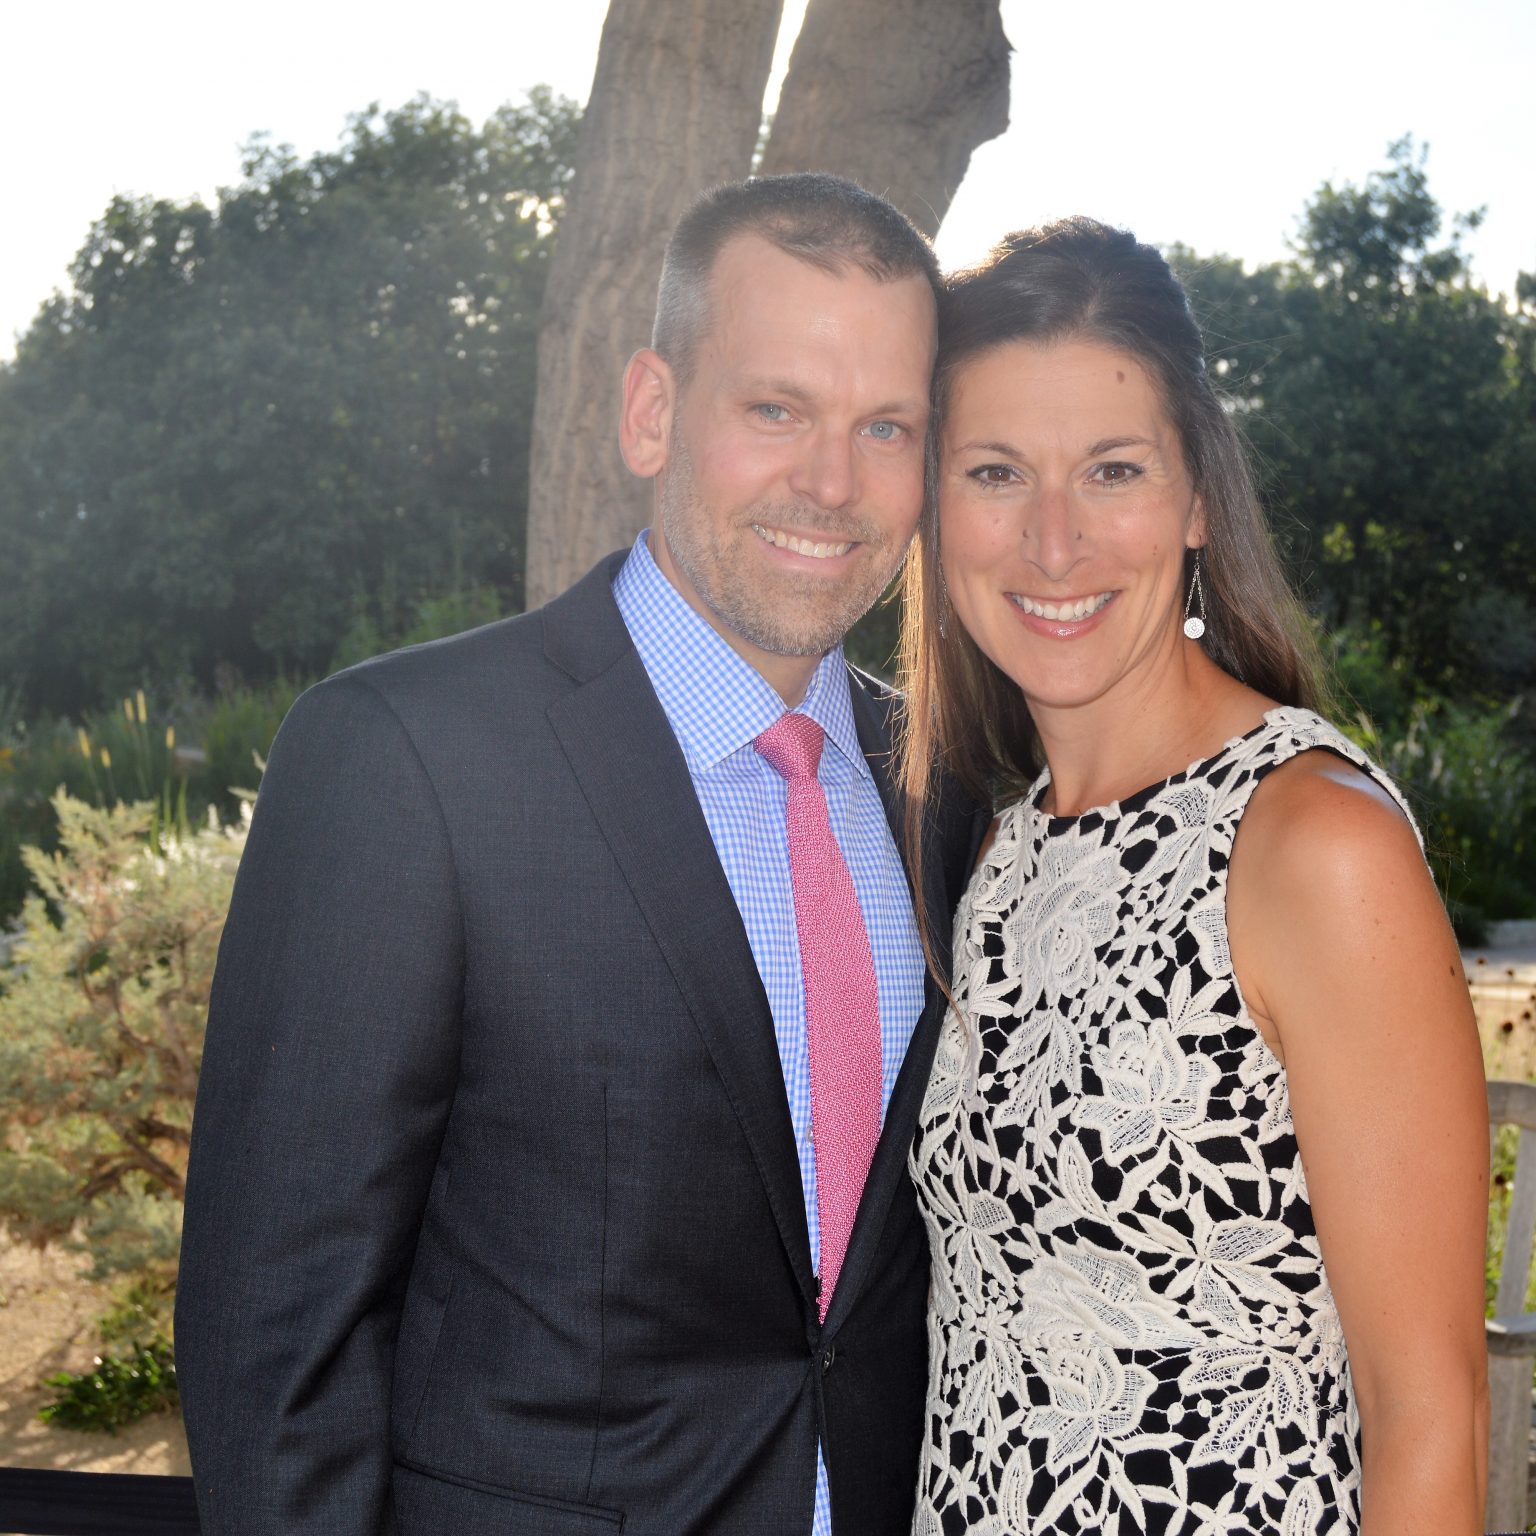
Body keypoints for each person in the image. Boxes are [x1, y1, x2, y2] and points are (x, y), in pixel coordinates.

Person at [175, 173, 985, 1536]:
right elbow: (278, 1334)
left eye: (887, 426)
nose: (832, 483)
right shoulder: (404, 761)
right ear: (653, 411)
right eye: (775, 409)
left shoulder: (958, 799)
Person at [897, 218, 1489, 1535]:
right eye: (996, 472)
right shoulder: (996, 848)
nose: (1055, 544)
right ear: (934, 503)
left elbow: (1428, 1413)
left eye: (1113, 470)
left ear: (1198, 496)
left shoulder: (1312, 847)